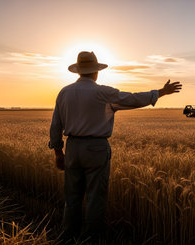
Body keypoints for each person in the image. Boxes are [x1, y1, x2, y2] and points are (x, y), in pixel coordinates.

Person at [48, 51, 182, 243]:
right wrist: (160, 92)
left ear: (78, 71)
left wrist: (57, 152)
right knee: (95, 197)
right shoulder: (103, 92)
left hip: (73, 148)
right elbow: (133, 99)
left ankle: (68, 237)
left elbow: (55, 126)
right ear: (96, 72)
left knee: (72, 197)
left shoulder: (64, 92)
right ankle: (91, 239)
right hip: (96, 148)